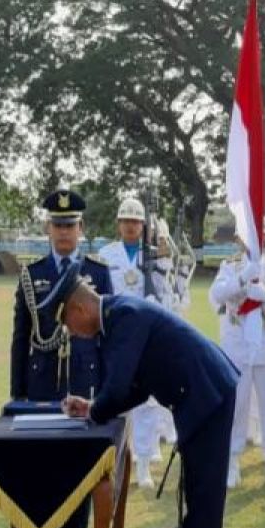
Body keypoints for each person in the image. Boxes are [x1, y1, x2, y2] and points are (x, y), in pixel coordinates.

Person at [49, 264, 238, 528]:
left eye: (68, 326)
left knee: (203, 503)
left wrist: (97, 410)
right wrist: (93, 407)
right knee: (199, 501)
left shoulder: (124, 316)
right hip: (202, 394)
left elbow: (120, 387)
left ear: (79, 310)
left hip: (207, 395)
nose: (72, 334)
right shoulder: (118, 318)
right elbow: (137, 387)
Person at [9, 188, 113, 528]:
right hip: (41, 386)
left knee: (80, 470)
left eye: (70, 225)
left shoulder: (98, 274)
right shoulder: (31, 275)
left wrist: (105, 391)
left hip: (84, 384)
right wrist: (17, 393)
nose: (64, 232)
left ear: (81, 228)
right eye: (58, 225)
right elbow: (21, 336)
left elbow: (107, 335)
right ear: (47, 228)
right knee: (43, 471)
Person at [99, 197, 181, 489]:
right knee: (116, 398)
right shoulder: (105, 255)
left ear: (143, 226)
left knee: (146, 402)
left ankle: (144, 464)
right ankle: (113, 459)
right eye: (126, 221)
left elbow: (166, 292)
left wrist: (161, 265)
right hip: (117, 336)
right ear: (119, 224)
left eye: (136, 222)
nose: (131, 226)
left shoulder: (155, 254)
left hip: (146, 336)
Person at [209, 234, 265, 489]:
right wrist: (241, 279)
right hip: (237, 344)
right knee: (237, 406)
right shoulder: (230, 264)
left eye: (261, 234)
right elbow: (217, 294)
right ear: (240, 238)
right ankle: (232, 461)